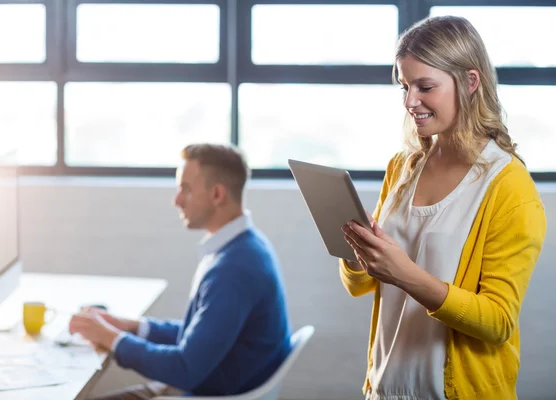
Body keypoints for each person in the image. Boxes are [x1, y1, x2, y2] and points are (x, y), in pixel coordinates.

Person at [339, 16, 546, 400]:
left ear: (470, 82)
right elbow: (362, 284)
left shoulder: (509, 186)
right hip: (385, 389)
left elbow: (498, 320)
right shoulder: (403, 167)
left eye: (425, 86)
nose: (409, 101)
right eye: (404, 86)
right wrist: (357, 250)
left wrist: (405, 274)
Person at [69, 143, 292, 399]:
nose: (176, 200)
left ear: (217, 194)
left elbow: (185, 368)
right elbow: (202, 336)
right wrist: (134, 327)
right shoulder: (246, 246)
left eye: (185, 189)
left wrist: (110, 338)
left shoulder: (234, 270)